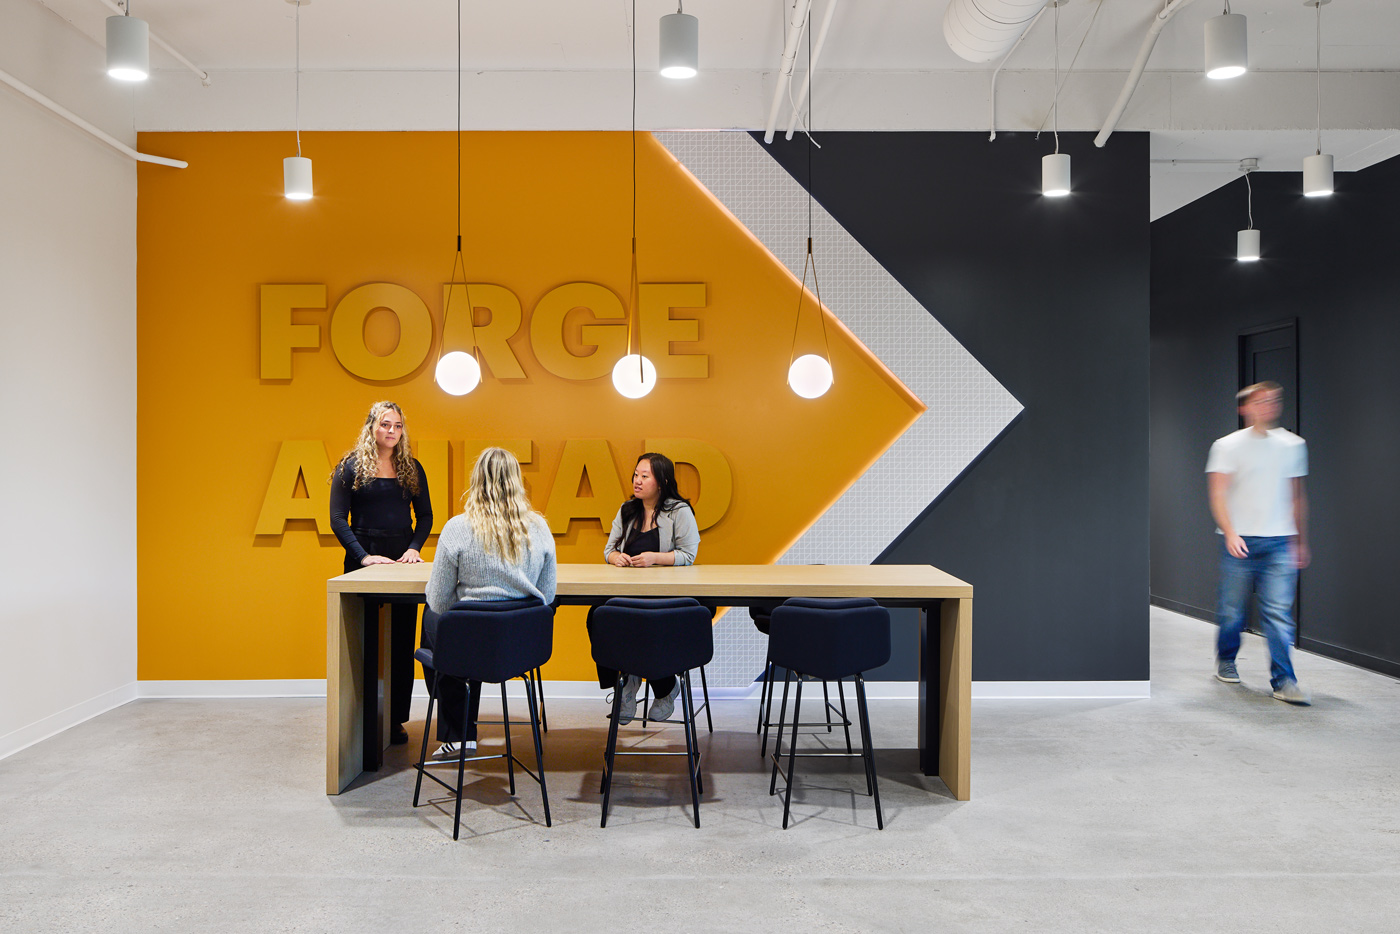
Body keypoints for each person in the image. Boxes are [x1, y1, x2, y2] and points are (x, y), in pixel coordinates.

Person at [424, 447, 557, 760]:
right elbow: (547, 595)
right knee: (456, 628)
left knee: (434, 620)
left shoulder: (457, 528)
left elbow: (439, 598)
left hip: (469, 640)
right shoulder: (538, 528)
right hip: (520, 644)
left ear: (476, 480)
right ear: (517, 481)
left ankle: (458, 734)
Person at [330, 401, 432, 744]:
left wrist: (413, 549)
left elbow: (426, 517)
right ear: (372, 426)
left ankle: (396, 720)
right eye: (386, 425)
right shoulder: (350, 466)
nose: (392, 431)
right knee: (361, 640)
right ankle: (359, 716)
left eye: (398, 426)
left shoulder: (411, 467)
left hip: (402, 561)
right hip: (362, 561)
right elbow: (337, 519)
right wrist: (363, 557)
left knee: (402, 641)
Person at [1206, 381, 1312, 705]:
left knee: (1278, 613)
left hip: (1280, 543)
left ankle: (1284, 681)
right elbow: (1218, 493)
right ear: (1246, 408)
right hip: (1240, 542)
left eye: (1273, 400)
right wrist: (1231, 532)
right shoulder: (1227, 446)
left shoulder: (1293, 445)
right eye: (1260, 400)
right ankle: (1226, 659)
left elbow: (1297, 497)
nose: (1268, 405)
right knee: (1232, 611)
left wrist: (1300, 540)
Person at [589, 452, 702, 724]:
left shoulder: (679, 511)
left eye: (644, 476)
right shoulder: (627, 509)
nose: (637, 481)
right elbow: (609, 549)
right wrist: (616, 557)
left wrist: (655, 558)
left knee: (644, 625)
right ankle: (626, 681)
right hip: (626, 592)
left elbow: (688, 555)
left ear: (661, 482)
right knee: (597, 616)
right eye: (636, 475)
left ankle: (661, 687)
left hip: (665, 596)